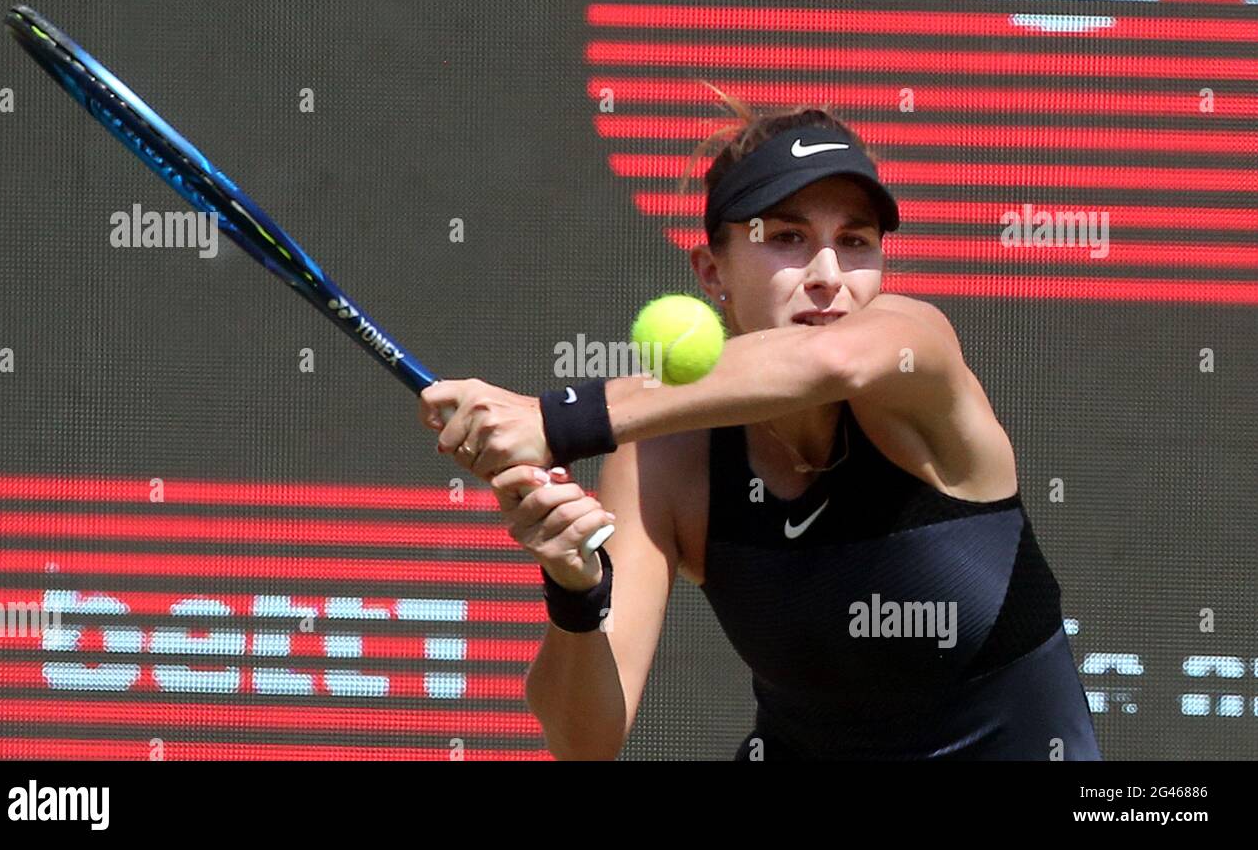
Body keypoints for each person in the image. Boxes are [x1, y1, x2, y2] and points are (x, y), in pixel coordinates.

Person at [419, 91, 1101, 761]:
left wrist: (558, 418)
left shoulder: (910, 348)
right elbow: (585, 742)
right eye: (788, 237)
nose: (829, 274)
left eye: (855, 240)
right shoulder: (668, 460)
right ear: (712, 271)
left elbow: (830, 359)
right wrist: (576, 593)